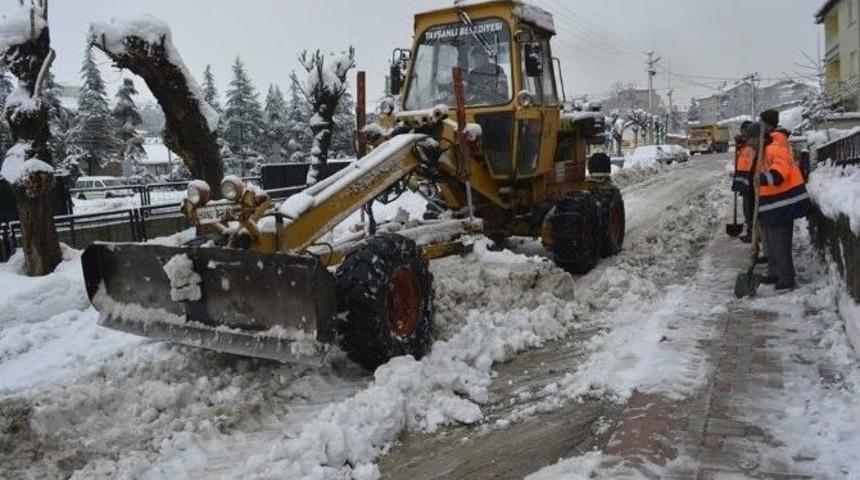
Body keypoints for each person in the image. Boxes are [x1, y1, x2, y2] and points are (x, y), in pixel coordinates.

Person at [746, 120, 812, 291]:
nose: (748, 143)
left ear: (757, 138)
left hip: (784, 203)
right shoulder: (761, 152)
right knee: (771, 243)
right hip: (772, 205)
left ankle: (786, 278)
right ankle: (775, 272)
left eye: (750, 139)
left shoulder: (774, 149)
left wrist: (763, 179)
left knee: (780, 243)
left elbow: (780, 173)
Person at [732, 120, 755, 242]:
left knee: (750, 209)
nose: (742, 134)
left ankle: (753, 234)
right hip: (744, 180)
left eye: (744, 132)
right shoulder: (743, 145)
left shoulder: (752, 144)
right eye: (741, 132)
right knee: (746, 209)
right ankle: (750, 231)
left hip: (751, 181)